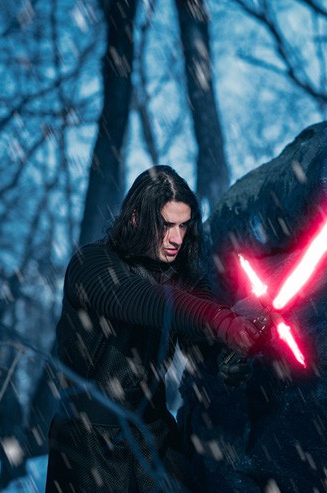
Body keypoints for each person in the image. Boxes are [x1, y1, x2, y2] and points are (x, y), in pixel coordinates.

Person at [46, 165, 266, 492]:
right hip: (87, 445)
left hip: (155, 440)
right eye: (166, 225)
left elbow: (202, 346)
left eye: (183, 225)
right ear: (136, 218)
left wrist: (228, 356)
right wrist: (219, 320)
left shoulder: (183, 276)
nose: (177, 238)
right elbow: (145, 300)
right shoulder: (92, 264)